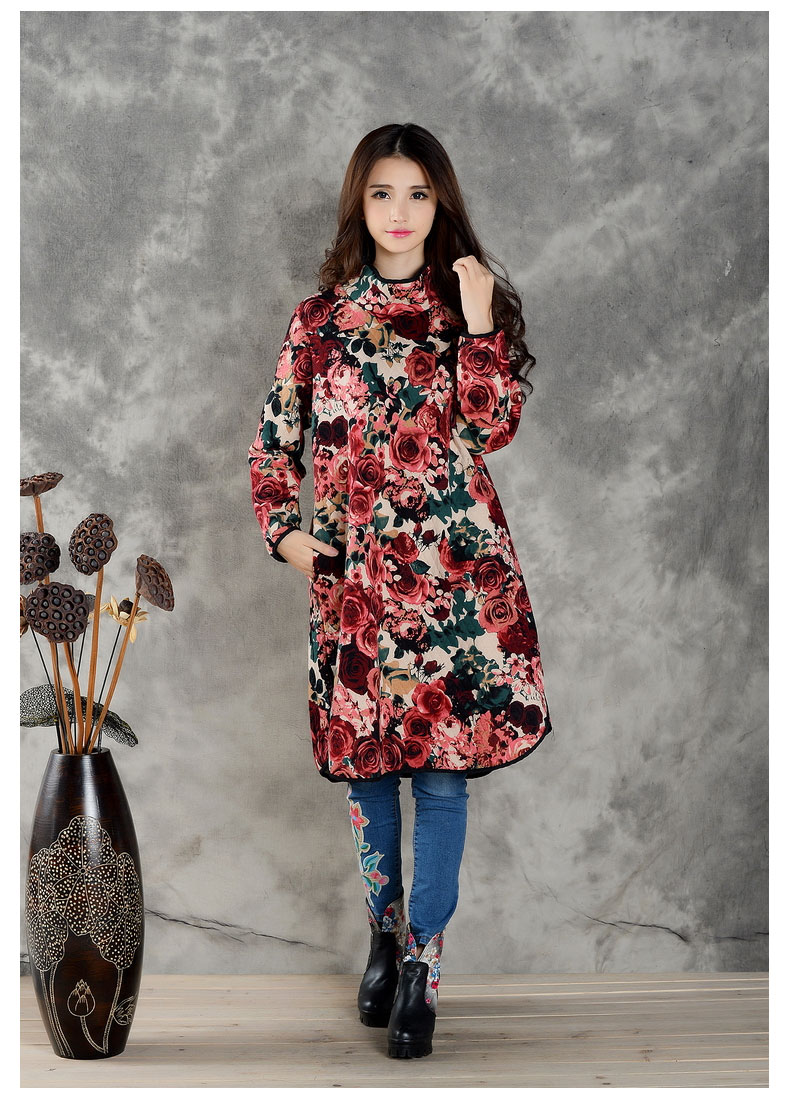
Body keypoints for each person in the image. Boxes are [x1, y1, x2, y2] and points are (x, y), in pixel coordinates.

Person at [247, 122, 552, 1060]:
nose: (401, 212)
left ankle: (424, 964)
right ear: (360, 203)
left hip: (454, 593)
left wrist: (482, 323)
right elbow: (274, 444)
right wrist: (286, 533)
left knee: (442, 778)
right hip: (354, 594)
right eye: (383, 193)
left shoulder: (465, 309)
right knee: (368, 776)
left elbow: (493, 428)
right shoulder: (318, 321)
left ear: (440, 203)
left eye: (419, 193)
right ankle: (381, 936)